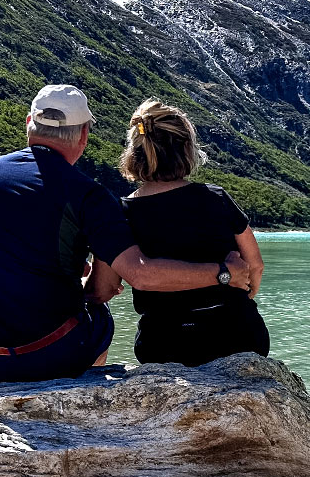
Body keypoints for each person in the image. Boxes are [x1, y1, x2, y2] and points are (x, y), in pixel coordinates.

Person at [0, 84, 252, 385]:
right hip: (47, 359)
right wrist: (223, 273)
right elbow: (138, 277)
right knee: (98, 309)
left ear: (29, 123)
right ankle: (82, 393)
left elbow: (9, 247)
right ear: (83, 135)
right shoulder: (87, 195)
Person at [103, 98, 270, 366]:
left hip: (163, 343)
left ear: (135, 153)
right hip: (238, 334)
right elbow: (255, 266)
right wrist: (239, 291)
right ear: (186, 151)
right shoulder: (216, 198)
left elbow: (107, 287)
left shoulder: (122, 212)